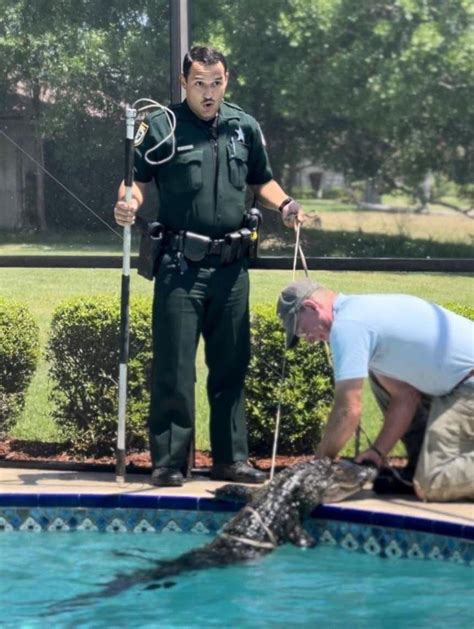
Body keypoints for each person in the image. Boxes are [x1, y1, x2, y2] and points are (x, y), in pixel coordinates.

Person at [114, 46, 306, 487]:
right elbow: (136, 179)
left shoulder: (244, 126)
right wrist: (127, 203)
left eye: (216, 82)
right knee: (175, 367)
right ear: (184, 83)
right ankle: (169, 461)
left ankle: (231, 459)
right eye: (199, 83)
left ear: (227, 80)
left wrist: (287, 204)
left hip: (232, 269)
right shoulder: (163, 126)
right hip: (181, 266)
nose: (208, 91)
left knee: (231, 365)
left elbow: (261, 180)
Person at [277, 279, 474, 502]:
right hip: (456, 382)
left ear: (312, 307)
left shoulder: (347, 326)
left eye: (302, 330)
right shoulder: (361, 313)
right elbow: (404, 396)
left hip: (467, 384)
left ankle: (426, 470)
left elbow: (347, 410)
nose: (309, 340)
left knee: (432, 482)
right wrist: (377, 453)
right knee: (380, 381)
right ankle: (421, 462)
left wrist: (318, 465)